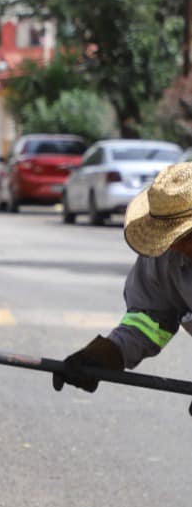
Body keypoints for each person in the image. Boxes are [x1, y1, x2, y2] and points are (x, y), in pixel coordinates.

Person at [53, 161, 192, 397]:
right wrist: (109, 353)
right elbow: (151, 319)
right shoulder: (167, 255)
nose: (177, 246)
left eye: (186, 236)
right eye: (173, 238)